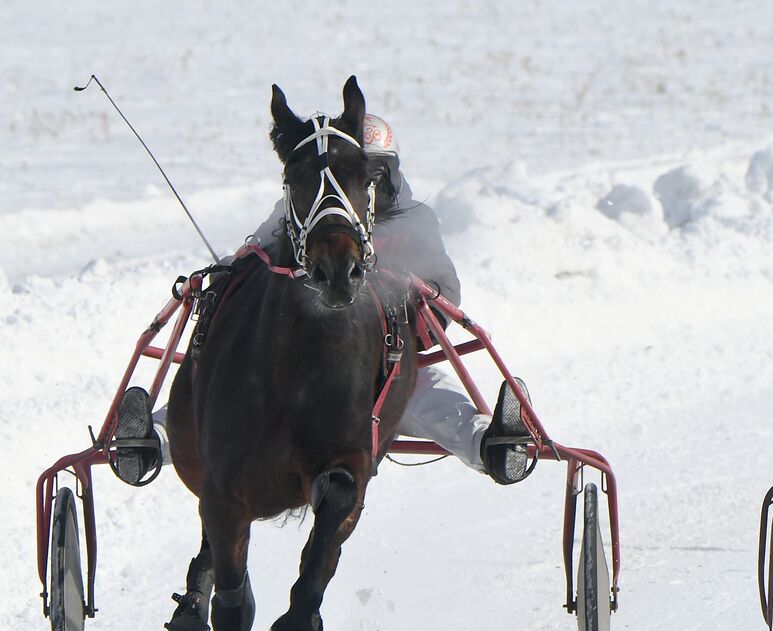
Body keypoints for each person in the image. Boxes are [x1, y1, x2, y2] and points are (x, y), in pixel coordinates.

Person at [111, 114, 532, 486]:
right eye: (350, 176)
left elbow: (445, 290)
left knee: (432, 399)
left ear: (391, 174)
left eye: (372, 177)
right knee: (222, 395)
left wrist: (415, 294)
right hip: (294, 363)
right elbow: (256, 252)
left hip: (387, 369)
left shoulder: (415, 221)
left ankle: (494, 444)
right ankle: (151, 440)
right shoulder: (305, 214)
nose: (361, 190)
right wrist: (224, 272)